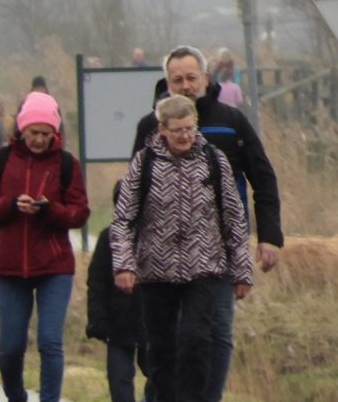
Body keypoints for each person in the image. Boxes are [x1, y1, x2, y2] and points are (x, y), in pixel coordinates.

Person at [130, 45, 282, 402]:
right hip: (162, 253)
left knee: (215, 333)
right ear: (166, 84)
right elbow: (133, 192)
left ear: (205, 79)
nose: (185, 85)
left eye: (191, 78)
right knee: (164, 338)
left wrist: (269, 236)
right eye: (176, 79)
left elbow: (263, 177)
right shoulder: (150, 128)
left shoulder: (230, 122)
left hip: (218, 250)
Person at [112, 94, 253, 402]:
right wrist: (124, 265)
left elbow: (233, 218)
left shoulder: (214, 160)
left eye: (190, 128)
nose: (185, 136)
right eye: (178, 130)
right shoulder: (145, 162)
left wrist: (242, 270)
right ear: (162, 129)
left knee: (195, 339)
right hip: (155, 272)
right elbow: (123, 219)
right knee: (160, 348)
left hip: (204, 268)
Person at [0, 91, 89, 402]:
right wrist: (10, 205)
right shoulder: (0, 160)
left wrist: (50, 211)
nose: (39, 140)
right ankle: (16, 396)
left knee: (50, 342)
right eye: (34, 132)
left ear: (56, 133)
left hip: (54, 266)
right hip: (9, 267)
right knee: (10, 348)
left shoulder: (66, 163)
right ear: (21, 129)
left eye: (46, 134)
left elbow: (80, 212)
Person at [87, 180, 153, 402]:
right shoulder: (108, 238)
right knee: (119, 383)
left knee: (161, 378)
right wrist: (97, 318)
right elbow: (97, 281)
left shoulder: (157, 238)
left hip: (152, 324)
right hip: (117, 324)